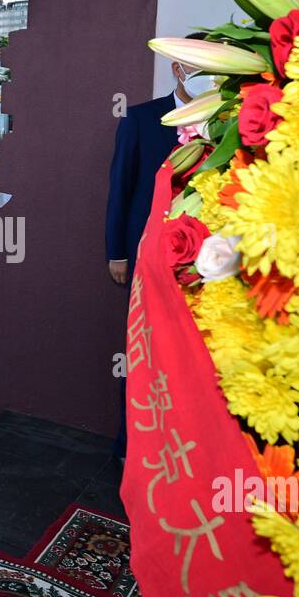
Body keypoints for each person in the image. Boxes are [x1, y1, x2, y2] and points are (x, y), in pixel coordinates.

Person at [104, 61, 197, 461]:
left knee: (188, 358)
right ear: (177, 69)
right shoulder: (140, 118)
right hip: (144, 258)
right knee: (142, 351)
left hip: (198, 262)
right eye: (197, 68)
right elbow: (120, 189)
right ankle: (131, 447)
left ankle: (181, 448)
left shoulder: (225, 121)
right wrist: (116, 252)